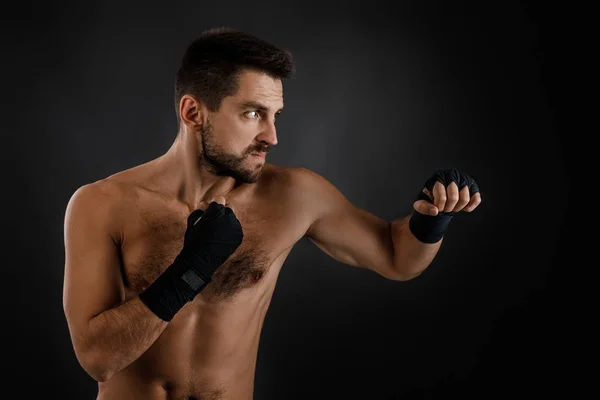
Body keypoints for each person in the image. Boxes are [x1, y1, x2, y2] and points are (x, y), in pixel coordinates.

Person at [62, 27, 482, 400]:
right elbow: (97, 360)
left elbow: (397, 257)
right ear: (193, 113)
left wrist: (431, 217)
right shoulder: (102, 204)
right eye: (252, 114)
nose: (272, 136)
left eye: (275, 115)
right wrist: (192, 268)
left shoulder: (293, 196)